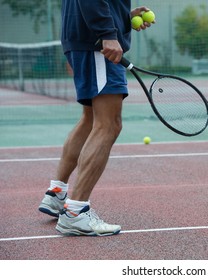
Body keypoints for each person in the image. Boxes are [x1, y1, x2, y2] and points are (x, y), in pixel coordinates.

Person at [38, 1, 154, 236]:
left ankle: (57, 195)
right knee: (109, 124)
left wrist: (122, 17)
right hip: (97, 44)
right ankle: (75, 213)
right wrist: (108, 34)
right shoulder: (102, 36)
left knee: (91, 120)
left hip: (86, 40)